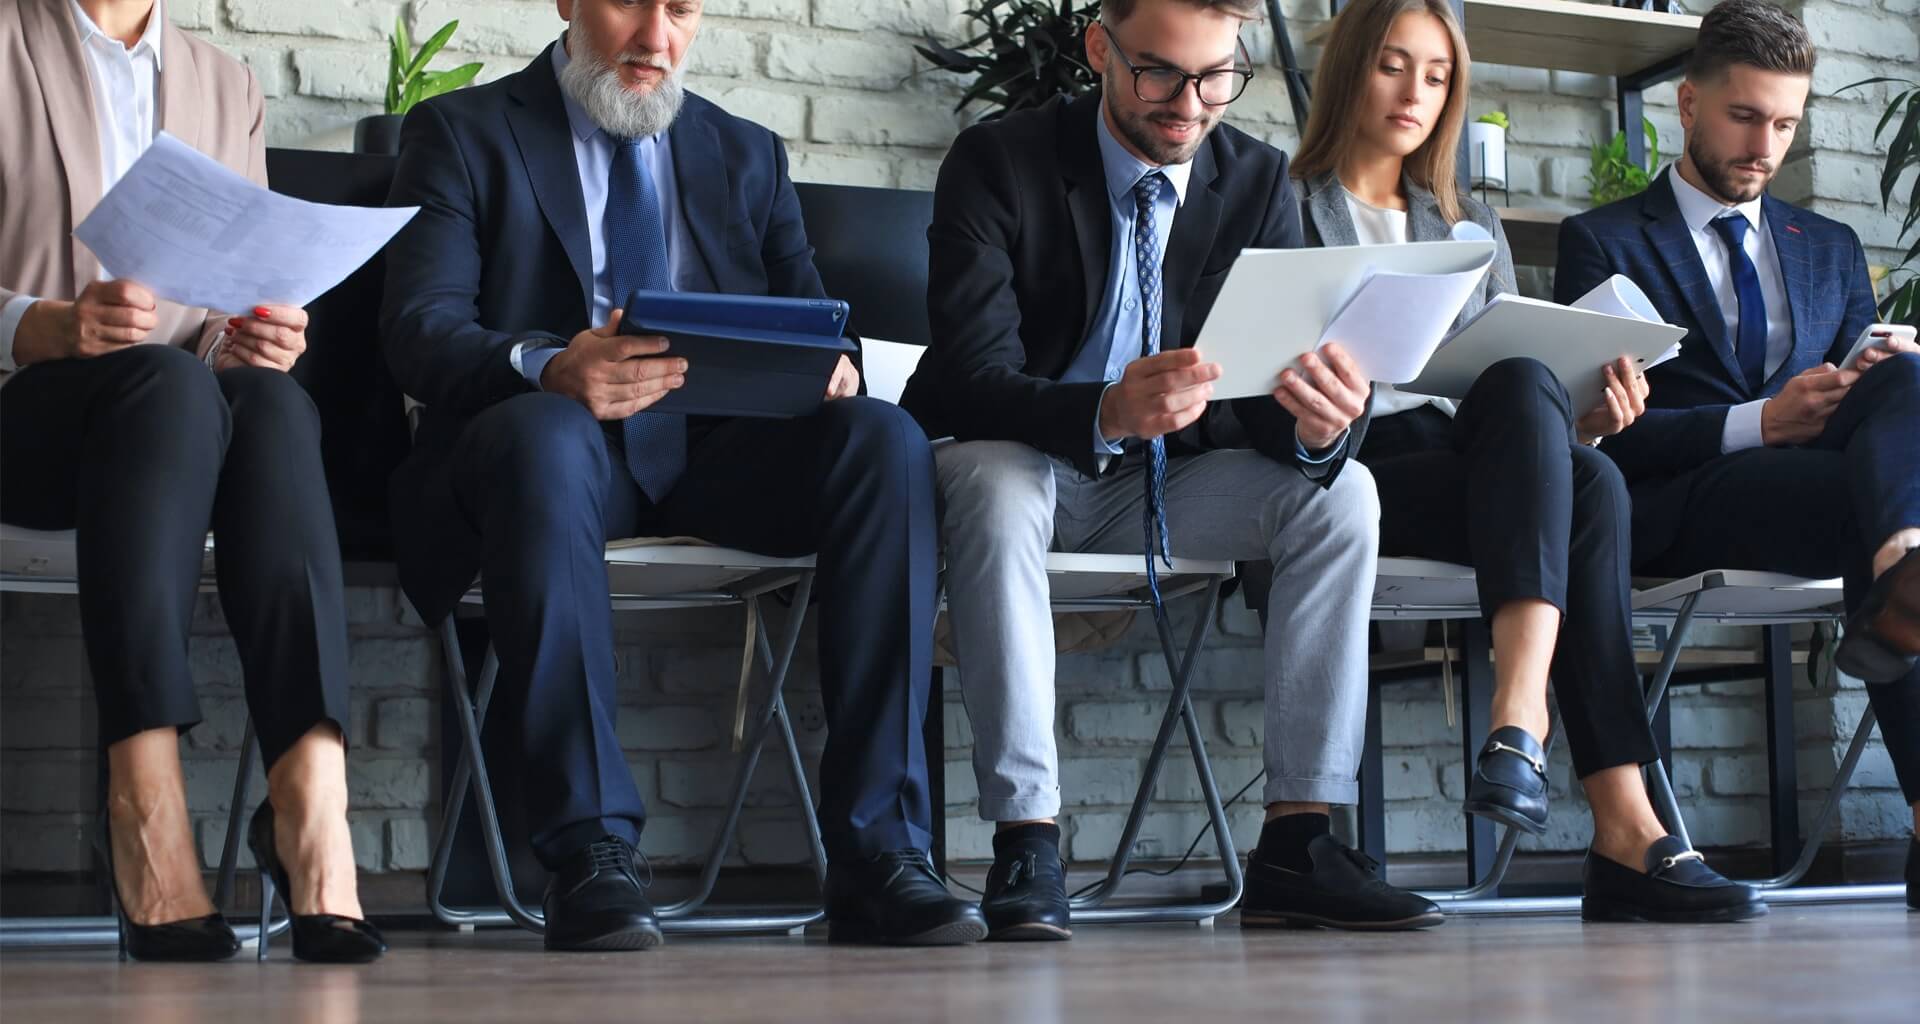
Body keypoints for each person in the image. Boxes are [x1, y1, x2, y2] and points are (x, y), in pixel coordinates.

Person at [380, 0, 983, 950]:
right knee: (549, 433)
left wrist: (840, 363)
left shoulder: (746, 152)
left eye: (684, 9)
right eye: (629, 2)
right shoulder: (463, 132)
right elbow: (420, 328)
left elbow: (818, 314)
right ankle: (588, 852)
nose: (656, 37)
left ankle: (880, 852)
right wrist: (549, 363)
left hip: (715, 453)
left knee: (884, 439)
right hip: (546, 455)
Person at [905, 0, 1442, 939]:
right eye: (1158, 73)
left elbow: (1264, 405)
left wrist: (1319, 423)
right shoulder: (1000, 161)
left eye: (1217, 77)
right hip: (1016, 459)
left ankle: (1297, 842)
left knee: (1344, 492)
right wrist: (1104, 409)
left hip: (1162, 487)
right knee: (997, 484)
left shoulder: (1257, 181)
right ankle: (1027, 842)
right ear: (1099, 48)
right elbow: (969, 377)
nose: (1189, 105)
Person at [1292, 0, 1760, 922]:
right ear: (1350, 67)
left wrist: (1581, 422)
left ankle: (1530, 736)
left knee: (1567, 438)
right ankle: (1612, 808)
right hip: (1355, 467)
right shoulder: (1280, 201)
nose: (1416, 93)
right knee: (1583, 479)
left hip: (1479, 466)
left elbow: (1512, 406)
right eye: (1395, 65)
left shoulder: (1471, 222)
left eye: (1437, 75)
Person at [0, 0, 383, 962]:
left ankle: (311, 806)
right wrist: (38, 325)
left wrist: (249, 333)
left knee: (272, 402)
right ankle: (144, 804)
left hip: (169, 421)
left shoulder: (226, 83)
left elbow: (222, 297)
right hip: (24, 411)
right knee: (168, 387)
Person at [1557, 0, 1920, 911]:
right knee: (1879, 507)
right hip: (1683, 500)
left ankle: (1901, 569)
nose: (1767, 144)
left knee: (1904, 377)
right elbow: (1609, 432)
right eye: (1746, 116)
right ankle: (1900, 577)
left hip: (1818, 494)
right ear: (1688, 105)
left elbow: (1856, 409)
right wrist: (1762, 421)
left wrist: (1867, 375)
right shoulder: (1602, 241)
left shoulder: (1828, 248)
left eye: (1787, 123)